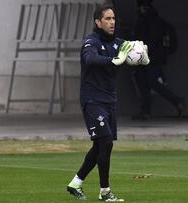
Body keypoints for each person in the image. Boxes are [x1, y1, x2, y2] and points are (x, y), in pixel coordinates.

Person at [66, 5, 138, 202]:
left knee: (100, 146)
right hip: (92, 100)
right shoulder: (91, 41)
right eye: (107, 18)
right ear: (98, 22)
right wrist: (112, 61)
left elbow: (132, 49)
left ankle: (75, 183)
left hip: (109, 100)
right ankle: (105, 192)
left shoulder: (118, 42)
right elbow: (90, 59)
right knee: (105, 143)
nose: (112, 22)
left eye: (113, 18)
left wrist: (141, 54)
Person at [131, 0, 185, 120]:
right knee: (143, 83)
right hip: (145, 57)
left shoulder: (150, 19)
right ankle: (145, 111)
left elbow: (151, 39)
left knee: (151, 82)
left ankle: (177, 101)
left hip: (151, 57)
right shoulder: (145, 18)